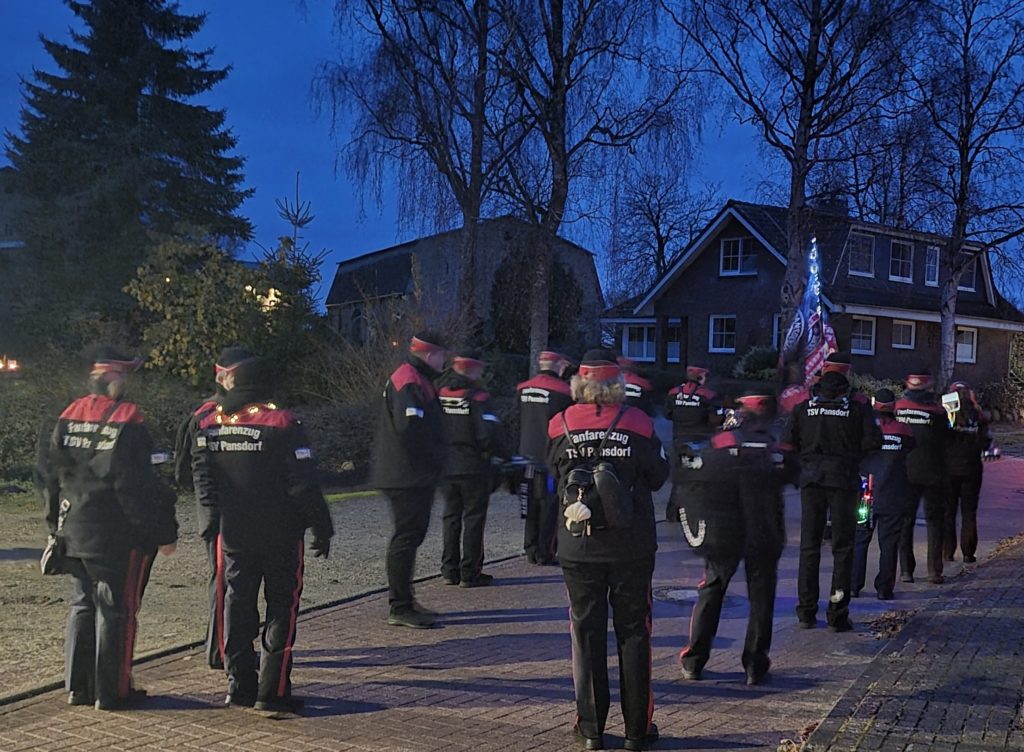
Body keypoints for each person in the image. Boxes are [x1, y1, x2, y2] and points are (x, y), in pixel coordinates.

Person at [191, 351, 334, 714]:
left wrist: (211, 520)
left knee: (237, 606)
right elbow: (302, 482)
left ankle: (239, 685)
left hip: (234, 533)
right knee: (281, 608)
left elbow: (203, 475)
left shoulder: (211, 423)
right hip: (281, 533)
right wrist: (322, 525)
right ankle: (273, 690)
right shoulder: (282, 421)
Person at [37, 346, 178, 710]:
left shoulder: (68, 415)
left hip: (73, 529)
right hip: (115, 534)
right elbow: (135, 486)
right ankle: (112, 692)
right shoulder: (129, 420)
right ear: (109, 376)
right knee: (116, 611)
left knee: (82, 604)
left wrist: (54, 525)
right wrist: (156, 533)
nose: (126, 381)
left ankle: (78, 688)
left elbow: (49, 476)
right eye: (123, 374)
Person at [546, 350, 669, 751]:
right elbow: (658, 476)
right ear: (618, 386)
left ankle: (591, 729)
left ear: (578, 385)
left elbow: (553, 473)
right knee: (634, 632)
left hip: (579, 543)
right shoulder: (638, 422)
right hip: (631, 545)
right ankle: (637, 730)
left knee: (585, 633)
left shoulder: (559, 423)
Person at [677, 390, 790, 685]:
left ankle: (695, 660)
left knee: (712, 590)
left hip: (723, 530)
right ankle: (755, 664)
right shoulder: (775, 447)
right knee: (762, 597)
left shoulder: (720, 443)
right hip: (765, 530)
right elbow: (793, 474)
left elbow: (696, 478)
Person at [781, 369, 882, 632]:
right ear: (843, 391)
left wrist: (803, 463)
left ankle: (806, 611)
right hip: (843, 480)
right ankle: (837, 613)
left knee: (809, 546)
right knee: (843, 548)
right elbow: (874, 441)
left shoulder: (804, 409)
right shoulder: (856, 410)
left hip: (812, 480)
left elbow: (787, 442)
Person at [171, 348, 252, 671]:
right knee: (223, 581)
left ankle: (231, 644)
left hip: (232, 509)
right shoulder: (206, 416)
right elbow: (187, 471)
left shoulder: (228, 411)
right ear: (223, 377)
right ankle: (220, 649)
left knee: (235, 582)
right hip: (219, 512)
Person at [373, 331, 448, 628]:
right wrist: (433, 457)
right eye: (442, 355)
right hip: (407, 475)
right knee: (406, 536)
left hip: (407, 473)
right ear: (430, 354)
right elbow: (410, 428)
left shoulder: (414, 378)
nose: (445, 361)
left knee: (410, 535)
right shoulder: (410, 380)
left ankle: (404, 600)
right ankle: (400, 605)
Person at [438, 351, 503, 588]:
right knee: (474, 518)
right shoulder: (478, 397)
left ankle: (449, 569)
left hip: (445, 465)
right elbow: (488, 433)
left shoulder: (441, 394)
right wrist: (500, 455)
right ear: (474, 369)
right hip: (473, 466)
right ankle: (470, 571)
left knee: (451, 517)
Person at [851, 389, 916, 600]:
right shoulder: (903, 430)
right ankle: (884, 589)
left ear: (874, 405)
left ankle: (853, 584)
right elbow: (911, 450)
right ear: (893, 406)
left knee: (860, 539)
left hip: (867, 493)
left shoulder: (865, 429)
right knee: (889, 543)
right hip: (893, 494)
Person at [516, 349, 573, 566]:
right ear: (559, 365)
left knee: (530, 503)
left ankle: (530, 547)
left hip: (526, 456)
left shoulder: (523, 388)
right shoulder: (564, 392)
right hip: (550, 457)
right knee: (550, 505)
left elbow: (515, 420)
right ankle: (545, 551)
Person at [894, 372, 950, 584]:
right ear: (928, 387)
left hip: (904, 471)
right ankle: (934, 570)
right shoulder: (937, 411)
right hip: (933, 472)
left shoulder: (898, 408)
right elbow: (945, 441)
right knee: (934, 521)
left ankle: (906, 570)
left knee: (905, 521)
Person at [942, 380, 992, 564]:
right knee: (969, 511)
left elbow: (939, 438)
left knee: (948, 512)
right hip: (972, 468)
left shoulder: (947, 414)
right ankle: (968, 552)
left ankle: (948, 552)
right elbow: (986, 442)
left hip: (949, 469)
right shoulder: (977, 415)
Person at [665, 365, 721, 455]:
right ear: (699, 377)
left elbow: (667, 415)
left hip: (678, 437)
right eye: (705, 376)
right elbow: (715, 419)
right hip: (702, 439)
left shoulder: (673, 393)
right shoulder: (708, 395)